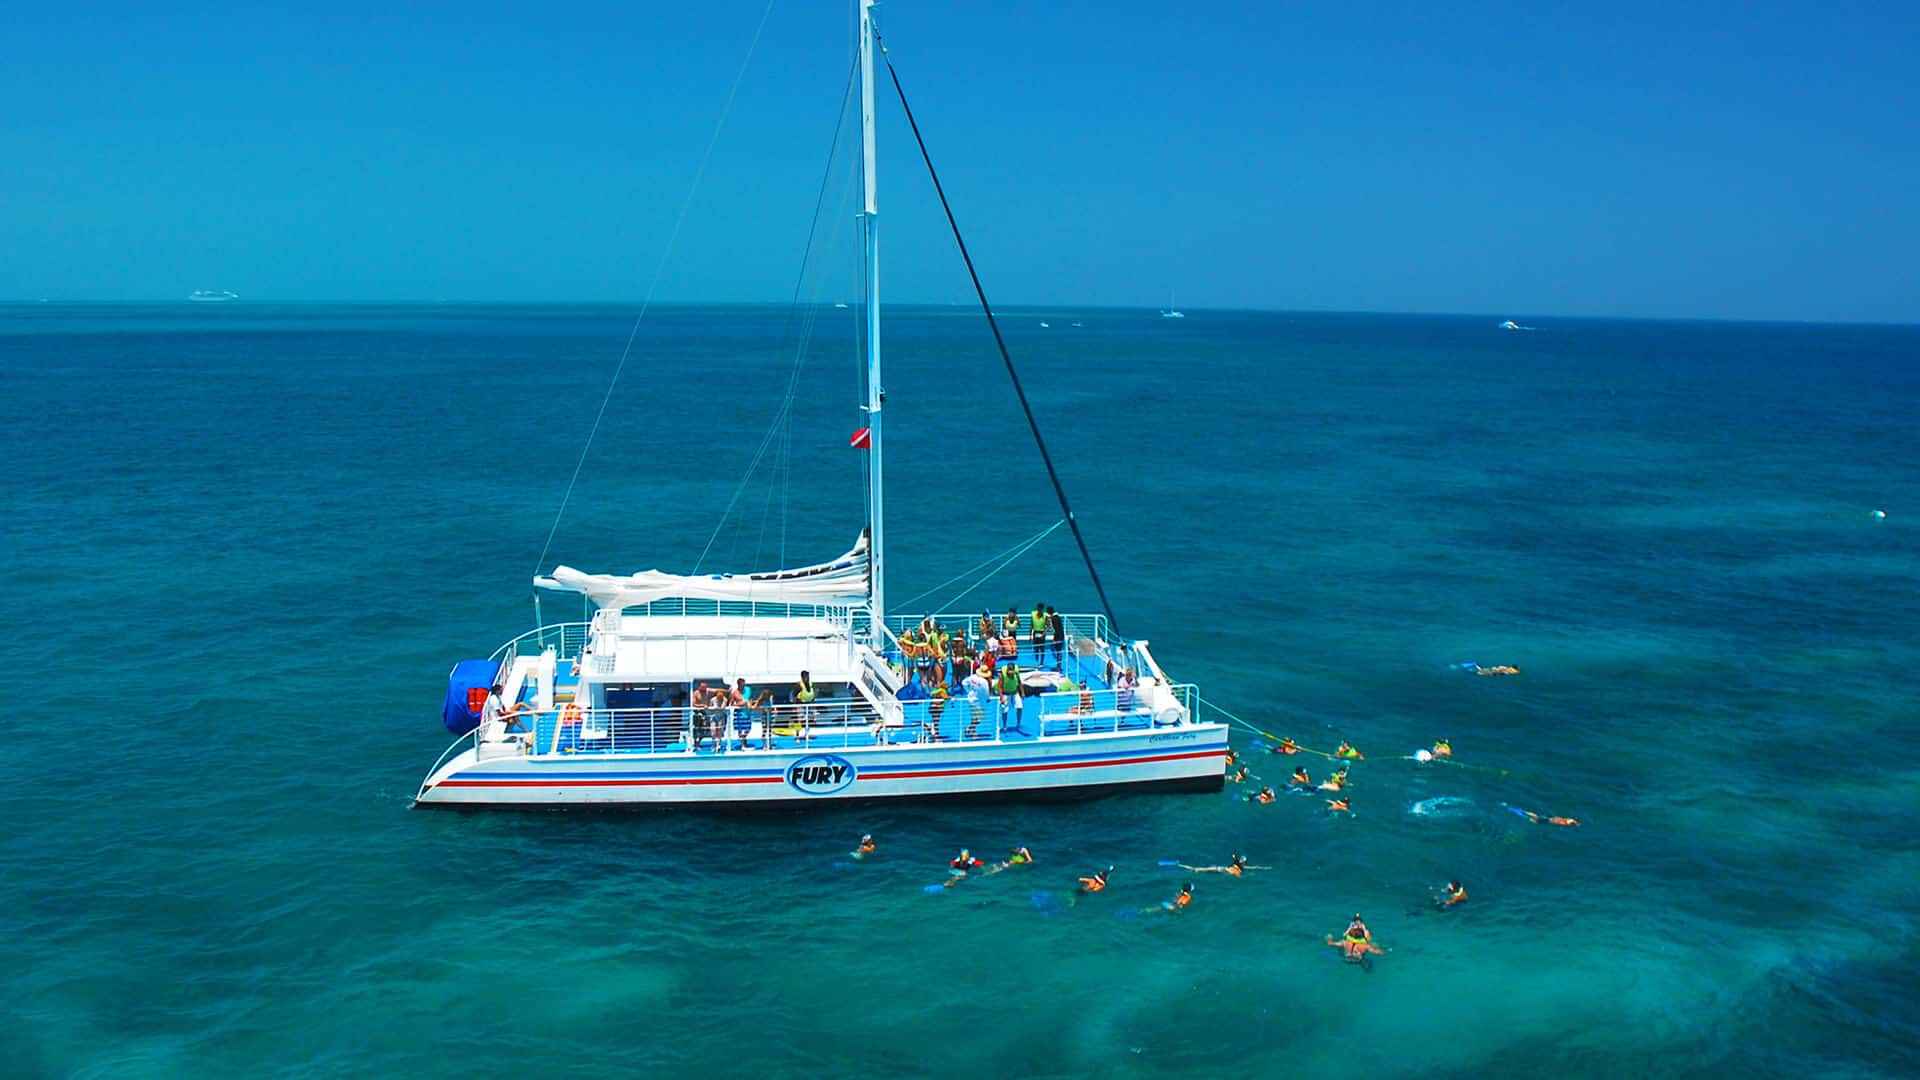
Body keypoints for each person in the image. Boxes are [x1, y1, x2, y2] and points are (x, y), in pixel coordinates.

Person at [996, 661, 1022, 732]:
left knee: (1020, 708)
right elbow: (999, 687)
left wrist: (1022, 692)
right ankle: (1004, 726)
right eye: (1009, 670)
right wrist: (1001, 698)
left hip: (1015, 693)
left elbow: (1019, 682)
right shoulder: (1003, 675)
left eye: (1011, 670)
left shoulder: (1016, 674)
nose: (1010, 672)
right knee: (1005, 711)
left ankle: (1018, 724)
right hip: (1005, 694)